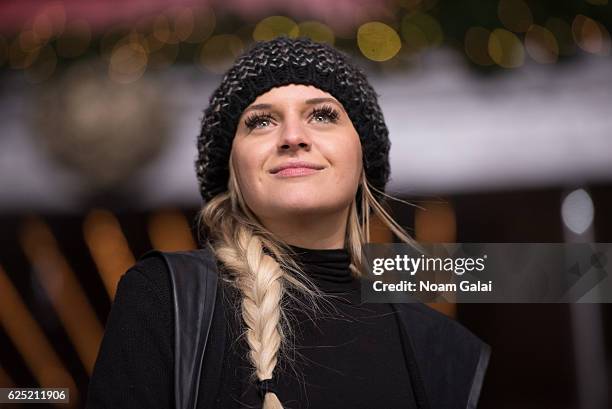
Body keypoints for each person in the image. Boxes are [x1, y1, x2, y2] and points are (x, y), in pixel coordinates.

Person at [86, 36, 490, 409]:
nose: (292, 136)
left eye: (323, 115)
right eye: (261, 121)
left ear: (362, 158)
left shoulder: (444, 350)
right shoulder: (165, 297)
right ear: (233, 172)